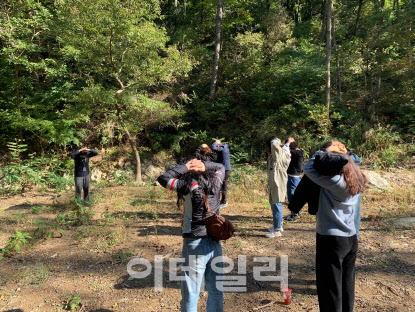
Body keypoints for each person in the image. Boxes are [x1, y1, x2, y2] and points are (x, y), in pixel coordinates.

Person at [303, 141, 368, 312]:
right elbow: (353, 160)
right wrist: (344, 154)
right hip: (351, 238)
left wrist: (325, 150)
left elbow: (308, 167)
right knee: (347, 283)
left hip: (331, 239)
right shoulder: (357, 179)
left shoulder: (334, 182)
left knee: (329, 288)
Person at [157, 158, 225, 312]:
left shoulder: (186, 185)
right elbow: (221, 166)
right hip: (214, 241)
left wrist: (185, 167)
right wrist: (205, 165)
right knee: (215, 289)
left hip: (194, 242)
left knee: (191, 292)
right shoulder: (216, 180)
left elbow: (163, 178)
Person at [265, 136, 291, 238]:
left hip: (278, 183)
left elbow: (275, 145)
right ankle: (278, 224)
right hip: (275, 183)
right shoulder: (280, 154)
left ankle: (277, 230)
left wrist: (275, 140)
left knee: (276, 205)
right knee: (275, 203)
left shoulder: (279, 155)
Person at [284, 137, 304, 222]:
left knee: (292, 195)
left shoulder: (293, 153)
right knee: (295, 194)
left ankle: (294, 215)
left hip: (292, 176)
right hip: (296, 176)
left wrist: (287, 143)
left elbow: (285, 151)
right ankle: (295, 213)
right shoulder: (300, 152)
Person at [211, 139, 231, 208]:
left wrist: (216, 142)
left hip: (225, 170)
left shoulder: (223, 148)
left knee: (223, 185)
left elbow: (213, 148)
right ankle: (220, 201)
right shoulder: (223, 148)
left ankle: (224, 201)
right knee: (221, 185)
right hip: (224, 169)